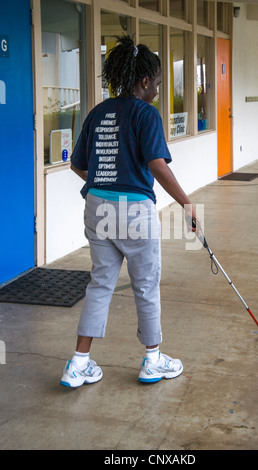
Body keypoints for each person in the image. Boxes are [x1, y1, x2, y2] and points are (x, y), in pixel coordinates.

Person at [60, 35, 201, 388]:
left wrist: (101, 184)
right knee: (146, 285)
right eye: (155, 83)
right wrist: (187, 204)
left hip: (97, 206)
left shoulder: (97, 112)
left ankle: (78, 364)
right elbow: (158, 165)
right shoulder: (145, 114)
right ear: (143, 82)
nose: (156, 90)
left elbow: (78, 166)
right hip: (134, 212)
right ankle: (152, 360)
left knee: (100, 284)